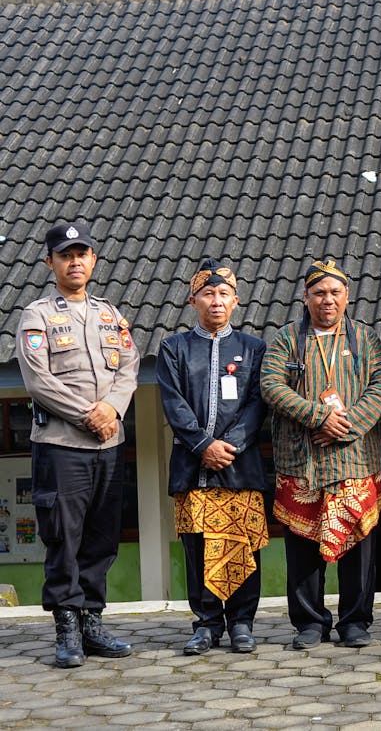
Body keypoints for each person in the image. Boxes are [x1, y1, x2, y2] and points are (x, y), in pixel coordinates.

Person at [17, 222, 139, 668]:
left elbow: (129, 366)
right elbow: (38, 380)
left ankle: (92, 621)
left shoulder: (111, 315)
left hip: (109, 444)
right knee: (63, 536)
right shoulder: (36, 316)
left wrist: (112, 408)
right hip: (62, 444)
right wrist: (90, 415)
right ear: (50, 262)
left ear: (93, 260)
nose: (75, 262)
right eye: (65, 255)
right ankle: (66, 626)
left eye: (82, 254)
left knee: (103, 536)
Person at [261, 259, 381, 649]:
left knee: (360, 545)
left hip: (355, 461)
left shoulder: (366, 340)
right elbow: (271, 384)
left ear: (347, 296)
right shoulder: (286, 339)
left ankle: (356, 621)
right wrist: (319, 416)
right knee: (302, 548)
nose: (327, 300)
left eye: (335, 292)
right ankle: (309, 622)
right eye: (319, 292)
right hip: (302, 463)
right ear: (306, 297)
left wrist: (345, 426)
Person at [157, 259, 268, 655]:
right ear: (193, 300)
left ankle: (241, 622)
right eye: (208, 294)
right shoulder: (174, 348)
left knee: (242, 543)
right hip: (193, 468)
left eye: (223, 294)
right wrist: (203, 445)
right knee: (198, 548)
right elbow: (173, 403)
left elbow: (257, 404)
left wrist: (231, 445)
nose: (216, 301)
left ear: (236, 300)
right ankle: (206, 623)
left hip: (240, 467)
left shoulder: (254, 349)